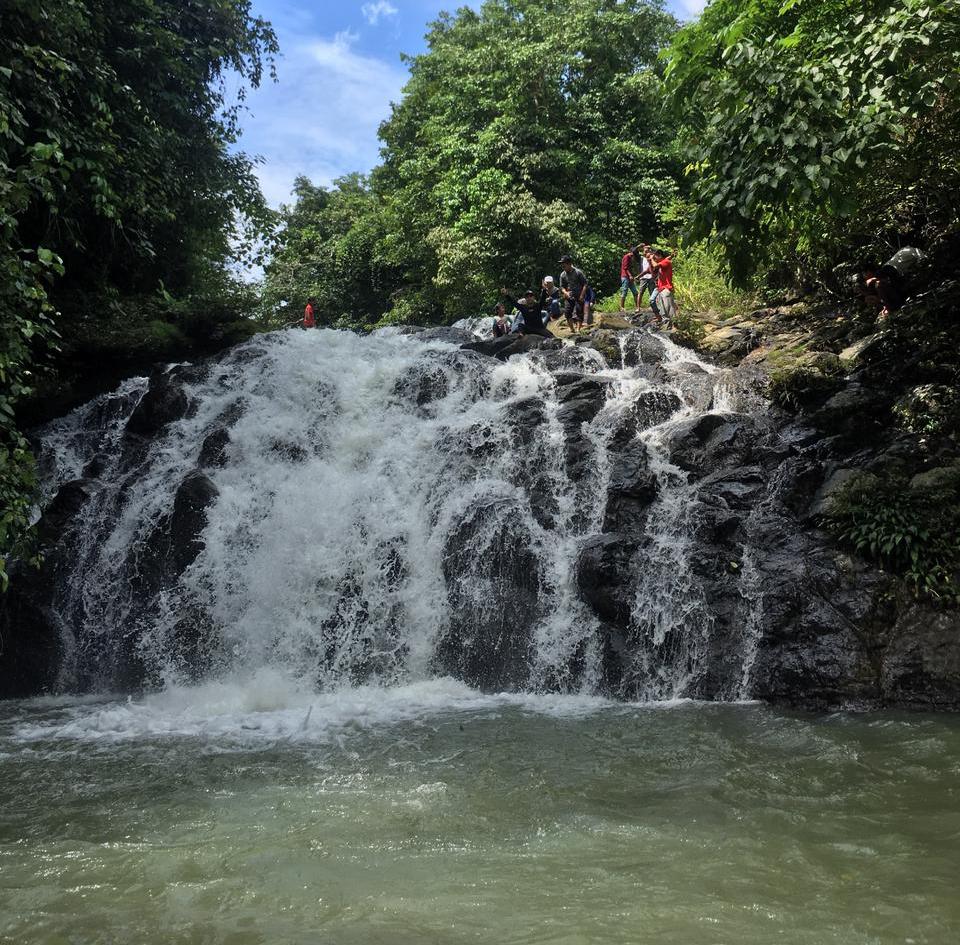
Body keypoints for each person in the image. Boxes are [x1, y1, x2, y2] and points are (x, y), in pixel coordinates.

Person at [559, 255, 588, 333]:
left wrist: (582, 295)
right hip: (569, 295)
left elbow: (585, 284)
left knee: (579, 312)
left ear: (569, 264)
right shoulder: (562, 275)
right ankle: (572, 330)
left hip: (579, 295)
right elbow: (561, 287)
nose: (562, 266)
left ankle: (578, 330)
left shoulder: (578, 272)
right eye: (562, 265)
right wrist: (565, 292)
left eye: (564, 265)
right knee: (567, 312)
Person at [650, 249, 677, 325]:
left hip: (666, 289)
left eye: (655, 256)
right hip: (661, 289)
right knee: (664, 310)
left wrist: (651, 259)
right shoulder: (663, 261)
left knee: (669, 309)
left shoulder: (666, 262)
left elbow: (655, 265)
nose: (654, 258)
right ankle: (667, 324)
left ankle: (674, 324)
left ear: (660, 256)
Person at [619, 247, 639, 313]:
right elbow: (625, 268)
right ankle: (622, 307)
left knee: (635, 292)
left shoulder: (630, 257)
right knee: (624, 291)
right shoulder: (626, 257)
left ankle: (637, 306)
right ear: (631, 252)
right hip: (625, 276)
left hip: (629, 277)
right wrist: (630, 275)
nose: (633, 256)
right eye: (633, 254)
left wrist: (632, 276)